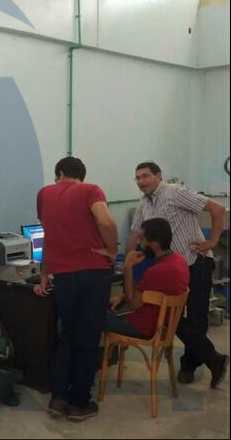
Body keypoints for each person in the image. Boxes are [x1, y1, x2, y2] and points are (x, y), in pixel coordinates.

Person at [127, 161, 228, 388]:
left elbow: (217, 209)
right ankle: (213, 358)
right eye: (138, 178)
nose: (141, 181)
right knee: (169, 316)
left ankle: (189, 366)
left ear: (158, 176)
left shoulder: (175, 193)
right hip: (171, 268)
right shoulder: (144, 203)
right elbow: (135, 234)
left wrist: (212, 241)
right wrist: (128, 259)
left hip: (195, 263)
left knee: (196, 318)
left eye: (146, 176)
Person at [33, 157, 118, 422]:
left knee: (67, 334)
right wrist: (112, 251)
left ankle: (58, 399)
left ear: (60, 173)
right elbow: (106, 222)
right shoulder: (90, 190)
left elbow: (49, 236)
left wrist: (44, 275)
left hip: (63, 277)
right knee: (88, 337)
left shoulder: (44, 194)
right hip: (93, 273)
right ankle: (80, 403)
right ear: (81, 175)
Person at [107, 218, 189, 339]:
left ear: (154, 244)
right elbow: (148, 292)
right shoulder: (179, 260)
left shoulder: (158, 270)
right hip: (162, 323)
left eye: (142, 239)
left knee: (92, 313)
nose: (139, 244)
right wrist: (121, 297)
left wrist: (128, 267)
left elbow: (133, 304)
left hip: (143, 327)